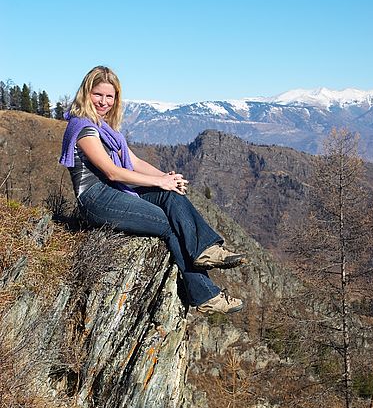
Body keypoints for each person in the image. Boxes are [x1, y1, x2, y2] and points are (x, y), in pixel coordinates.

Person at [59, 65, 246, 314]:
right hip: (96, 199)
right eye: (98, 95)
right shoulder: (84, 128)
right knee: (169, 225)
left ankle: (206, 249)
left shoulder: (107, 129)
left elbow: (134, 162)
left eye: (109, 96)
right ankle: (205, 295)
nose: (103, 102)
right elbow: (111, 172)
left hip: (115, 191)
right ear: (86, 93)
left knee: (170, 196)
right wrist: (159, 182)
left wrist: (166, 178)